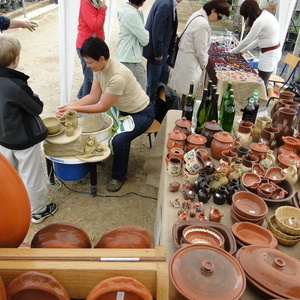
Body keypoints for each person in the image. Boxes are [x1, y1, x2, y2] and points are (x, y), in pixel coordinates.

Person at [56, 37, 155, 192]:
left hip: (141, 113)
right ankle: (100, 155)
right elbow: (93, 97)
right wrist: (69, 106)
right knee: (99, 124)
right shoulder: (99, 68)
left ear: (101, 58)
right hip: (121, 109)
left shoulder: (118, 76)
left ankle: (118, 176)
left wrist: (75, 110)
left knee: (119, 140)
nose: (88, 66)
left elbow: (101, 106)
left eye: (90, 62)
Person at [0, 34, 57, 224]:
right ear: (16, 59)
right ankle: (38, 211)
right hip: (23, 139)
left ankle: (10, 206)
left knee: (9, 176)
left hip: (3, 137)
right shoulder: (15, 86)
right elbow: (36, 108)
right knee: (31, 175)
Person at [170, 0, 230, 104]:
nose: (218, 20)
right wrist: (204, 65)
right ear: (213, 10)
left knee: (184, 91)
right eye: (219, 17)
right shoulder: (202, 24)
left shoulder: (196, 15)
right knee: (188, 93)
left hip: (185, 59)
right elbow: (201, 50)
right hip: (191, 62)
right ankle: (183, 114)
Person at [230, 0, 281, 90]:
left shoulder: (260, 20)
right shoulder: (265, 15)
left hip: (270, 54)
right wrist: (242, 51)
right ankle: (258, 101)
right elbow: (258, 40)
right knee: (261, 81)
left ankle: (260, 102)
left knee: (262, 82)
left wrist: (233, 51)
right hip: (269, 52)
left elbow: (248, 40)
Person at [143, 0, 182, 102]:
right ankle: (150, 108)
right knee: (154, 83)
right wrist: (158, 52)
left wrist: (173, 35)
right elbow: (157, 31)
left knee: (162, 80)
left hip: (163, 50)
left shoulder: (169, 3)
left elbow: (167, 25)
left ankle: (158, 107)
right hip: (158, 52)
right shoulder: (165, 4)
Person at [76, 0, 107, 99]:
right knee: (90, 78)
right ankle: (84, 104)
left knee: (91, 76)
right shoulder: (86, 3)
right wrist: (102, 10)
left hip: (94, 45)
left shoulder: (95, 3)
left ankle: (81, 98)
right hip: (86, 46)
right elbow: (94, 25)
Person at [117, 0, 149, 91]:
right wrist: (146, 32)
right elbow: (145, 39)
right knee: (139, 93)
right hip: (131, 59)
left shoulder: (126, 10)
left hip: (126, 55)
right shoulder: (132, 15)